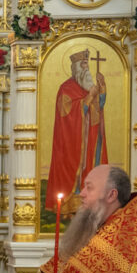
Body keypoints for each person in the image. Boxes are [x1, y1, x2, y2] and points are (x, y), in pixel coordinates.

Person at [45, 48, 108, 212]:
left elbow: (98, 109)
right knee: (75, 168)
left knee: (90, 165)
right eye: (84, 65)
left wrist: (102, 91)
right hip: (71, 140)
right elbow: (66, 115)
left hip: (90, 137)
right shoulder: (66, 88)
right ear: (76, 68)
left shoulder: (89, 87)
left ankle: (91, 201)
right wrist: (89, 98)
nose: (87, 68)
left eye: (88, 64)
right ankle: (71, 203)